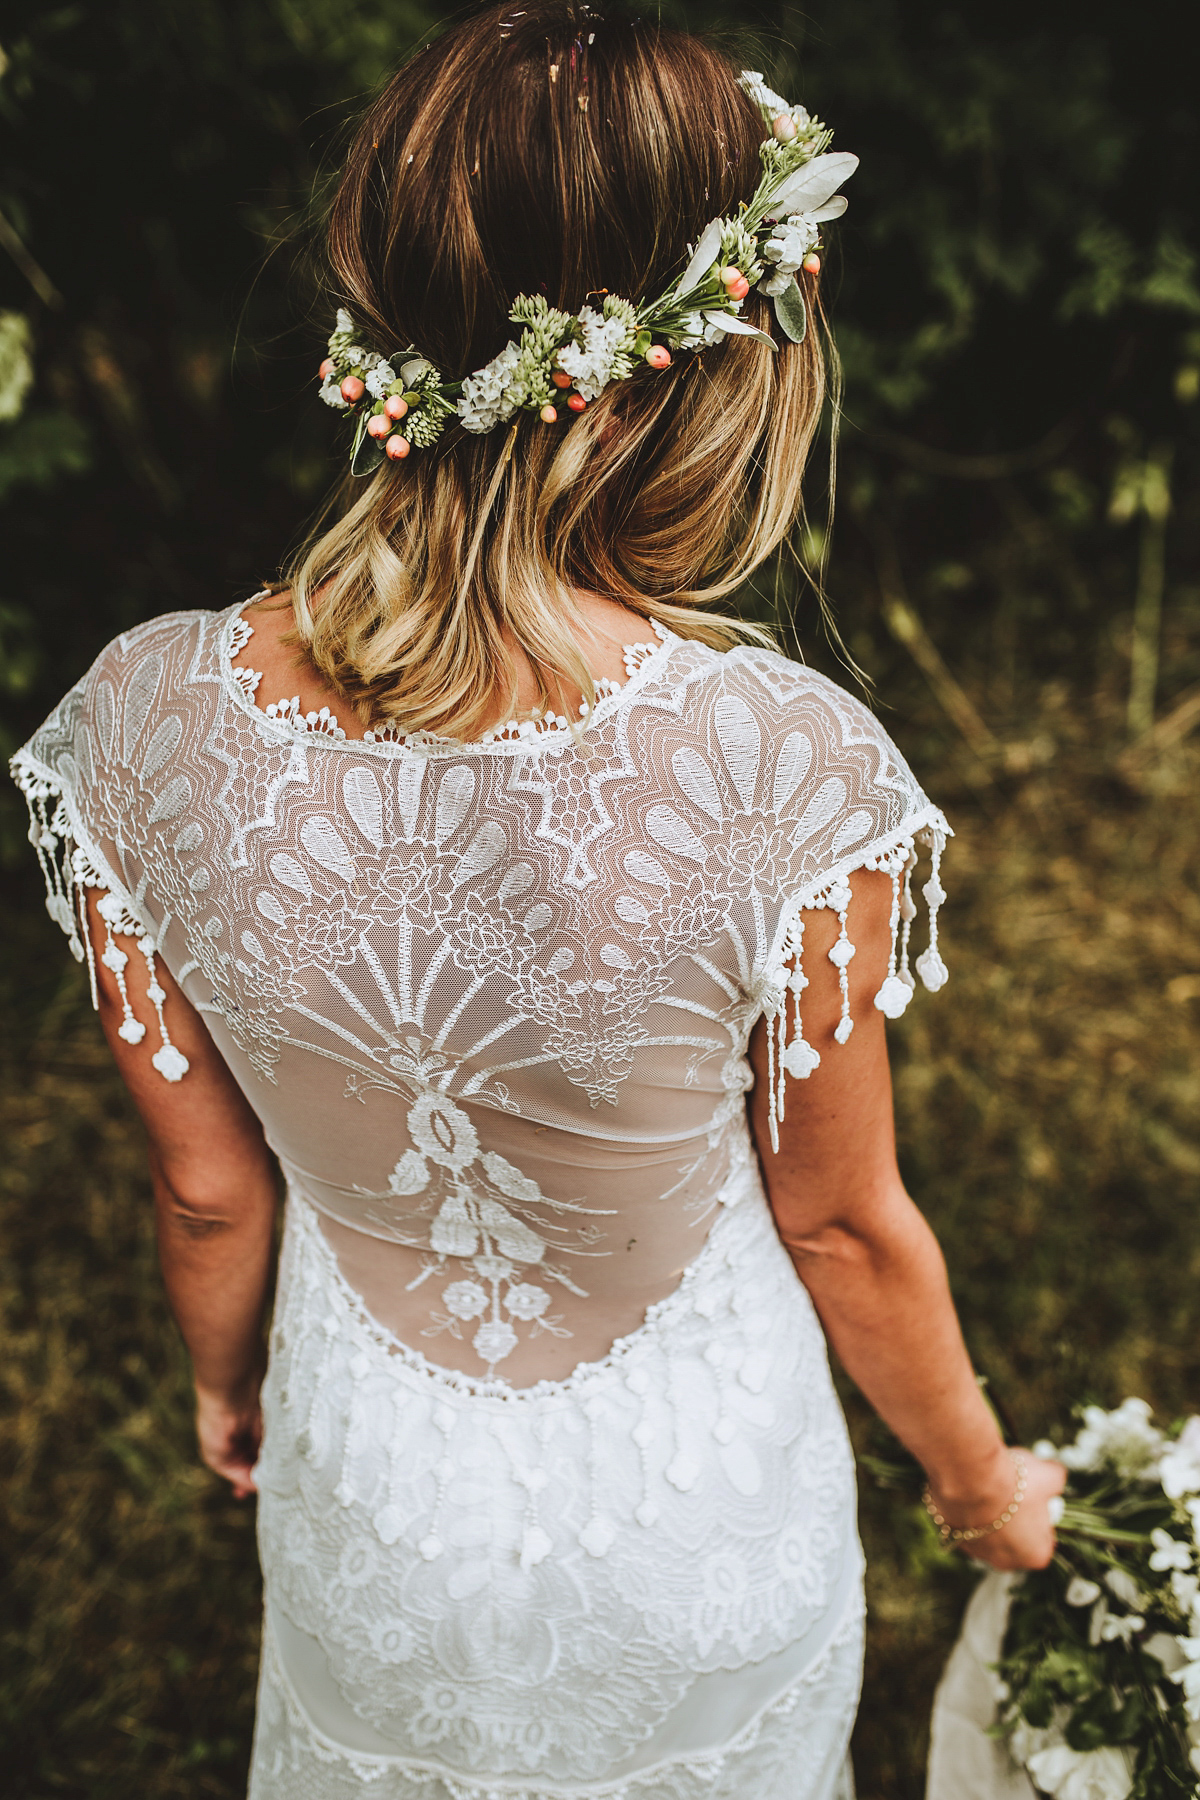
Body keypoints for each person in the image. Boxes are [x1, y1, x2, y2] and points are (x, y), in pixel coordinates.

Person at [12, 5, 1064, 1796]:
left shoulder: (141, 722)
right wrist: (983, 1494)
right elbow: (843, 1228)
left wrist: (224, 1383)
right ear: (709, 366)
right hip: (693, 1516)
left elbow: (207, 1190)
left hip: (381, 1497)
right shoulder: (782, 765)